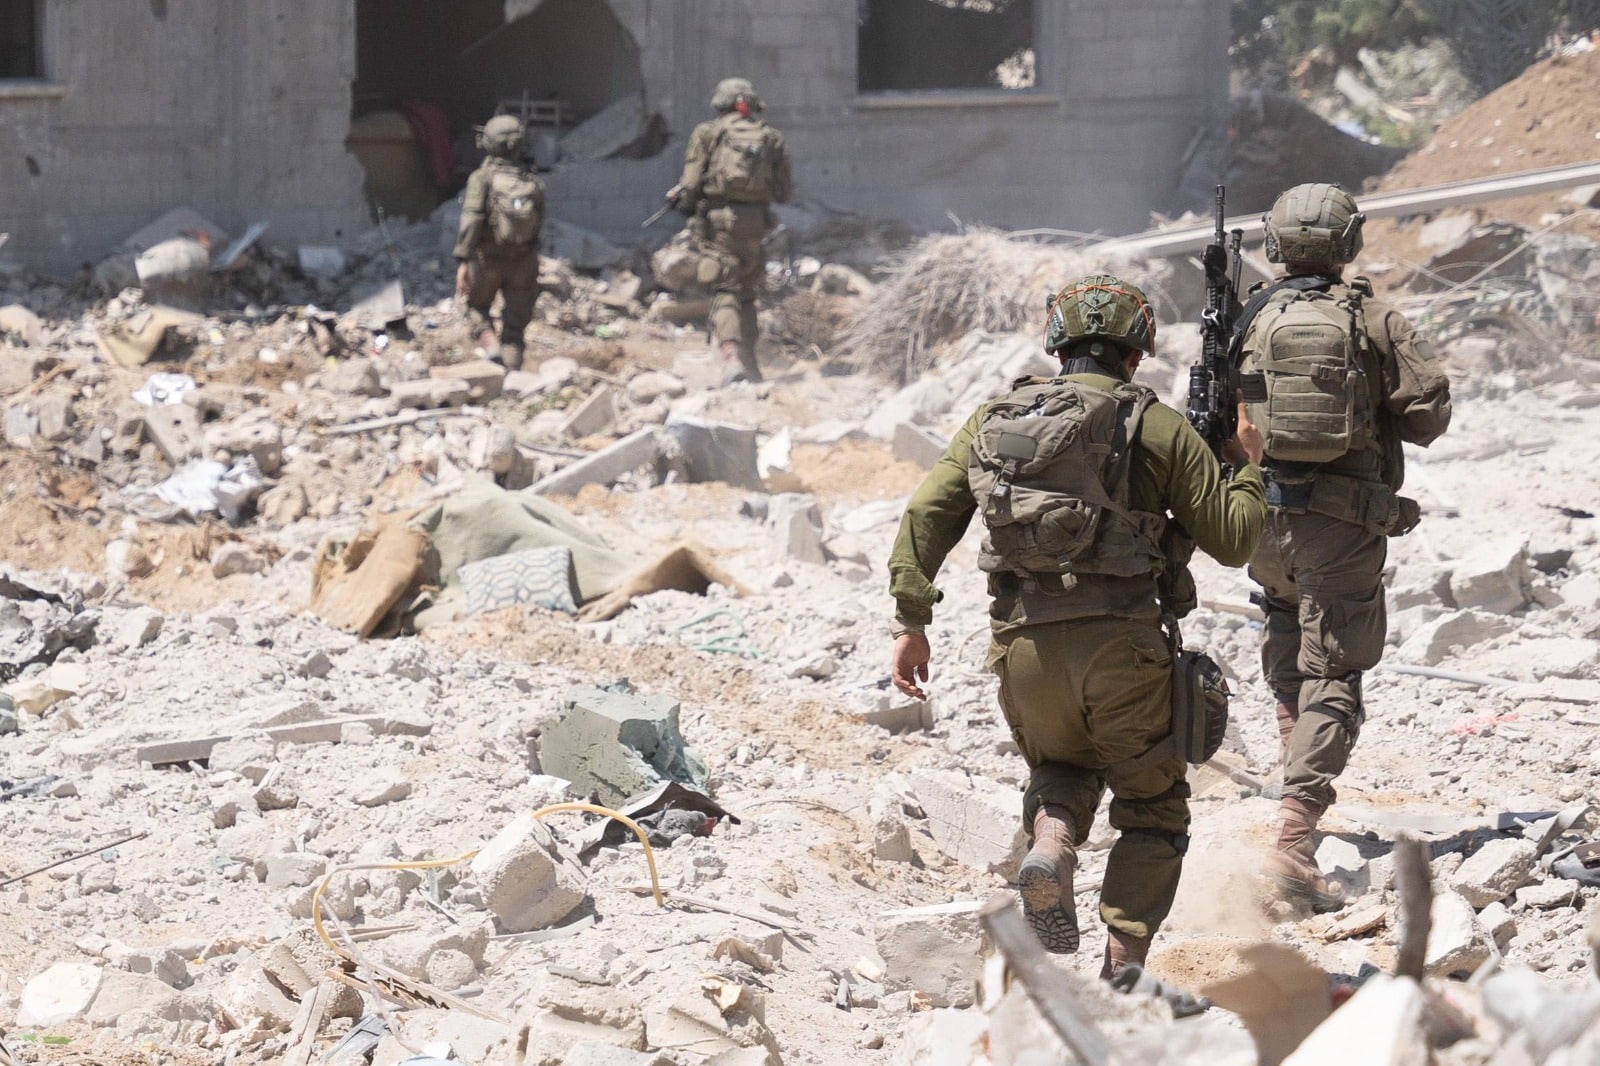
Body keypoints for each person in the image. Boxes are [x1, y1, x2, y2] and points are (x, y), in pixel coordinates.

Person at [888, 274, 1267, 983]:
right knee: (1152, 807)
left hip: (1023, 652)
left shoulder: (993, 419)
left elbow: (926, 514)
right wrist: (1247, 462)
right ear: (1136, 353)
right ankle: (1122, 969)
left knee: (1061, 770)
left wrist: (912, 621)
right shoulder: (1157, 425)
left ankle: (1053, 839)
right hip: (1123, 651)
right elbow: (1234, 539)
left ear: (1057, 347)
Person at [1239, 183, 1452, 910]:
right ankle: (1294, 838)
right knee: (1334, 671)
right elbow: (1428, 416)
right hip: (1341, 525)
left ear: (1274, 246)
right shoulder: (1374, 319)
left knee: (1285, 634)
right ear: (1350, 243)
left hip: (1261, 523)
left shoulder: (1247, 319)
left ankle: (1292, 782)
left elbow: (1211, 418)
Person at [664, 77, 793, 384]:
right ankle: (751, 365)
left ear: (720, 104)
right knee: (747, 293)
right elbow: (784, 192)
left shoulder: (707, 133)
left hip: (720, 225)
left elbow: (691, 183)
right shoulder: (771, 138)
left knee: (725, 290)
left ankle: (731, 358)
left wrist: (685, 202)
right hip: (757, 225)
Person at [453, 114, 544, 371]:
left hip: (487, 261)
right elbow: (539, 224)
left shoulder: (482, 178)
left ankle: (490, 347)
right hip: (523, 261)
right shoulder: (532, 181)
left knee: (476, 308)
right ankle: (511, 377)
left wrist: (463, 260)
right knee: (515, 328)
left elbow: (471, 219)